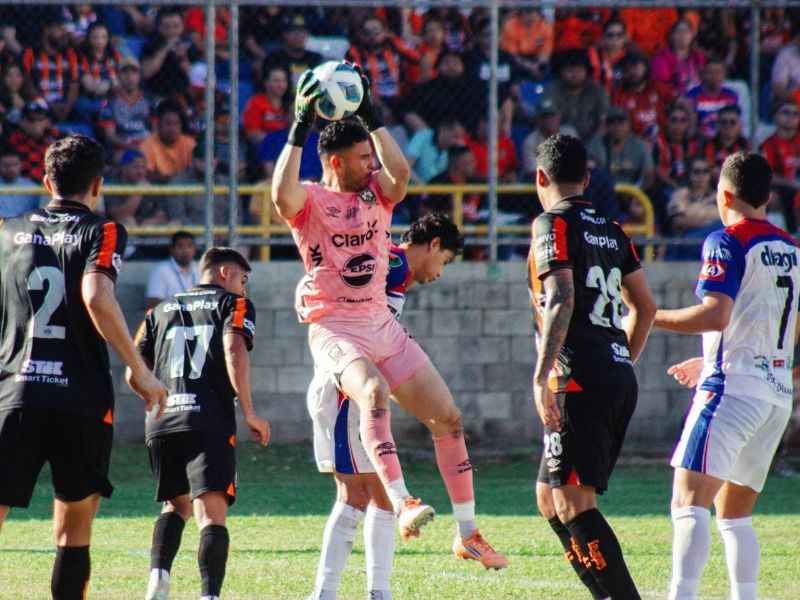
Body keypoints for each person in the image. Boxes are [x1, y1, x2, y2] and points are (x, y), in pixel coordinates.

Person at [273, 67, 507, 567]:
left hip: (381, 323)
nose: (372, 164)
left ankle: (468, 533)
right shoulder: (311, 200)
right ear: (337, 161)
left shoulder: (375, 190)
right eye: (363, 158)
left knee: (448, 418)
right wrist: (298, 126)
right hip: (336, 328)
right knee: (373, 393)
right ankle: (404, 503)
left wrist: (373, 116)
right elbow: (280, 194)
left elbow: (402, 176)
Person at [0, 134, 167, 599]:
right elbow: (96, 295)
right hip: (81, 400)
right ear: (98, 184)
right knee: (73, 532)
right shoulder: (103, 230)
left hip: (14, 393)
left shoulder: (5, 229)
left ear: (45, 179)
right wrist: (139, 368)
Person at [653, 152, 798, 600]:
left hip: (732, 390)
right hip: (774, 395)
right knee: (734, 516)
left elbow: (716, 314)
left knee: (688, 502)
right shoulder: (792, 249)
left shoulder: (727, 239)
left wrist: (646, 316)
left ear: (724, 194)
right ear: (768, 197)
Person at [307, 213, 463, 600]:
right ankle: (326, 594)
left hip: (360, 393)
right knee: (354, 495)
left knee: (375, 495)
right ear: (434, 245)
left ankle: (378, 593)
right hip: (348, 394)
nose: (441, 272)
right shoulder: (389, 263)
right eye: (445, 261)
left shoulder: (396, 273)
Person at [530, 134, 656, 600]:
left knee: (574, 502)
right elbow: (645, 306)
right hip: (613, 370)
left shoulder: (551, 223)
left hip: (577, 374)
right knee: (550, 497)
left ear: (540, 177)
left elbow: (562, 296)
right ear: (586, 178)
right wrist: (621, 359)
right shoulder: (612, 228)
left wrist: (541, 376)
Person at [133, 247, 270, 600]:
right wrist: (250, 411)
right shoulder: (233, 305)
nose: (244, 288)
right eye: (242, 279)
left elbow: (134, 370)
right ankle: (209, 596)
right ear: (225, 272)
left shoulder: (158, 310)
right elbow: (233, 349)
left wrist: (155, 400)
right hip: (207, 419)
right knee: (211, 514)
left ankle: (157, 578)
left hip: (162, 421)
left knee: (175, 505)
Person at [21, 13, 79, 122]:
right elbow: (27, 83)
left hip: (64, 105)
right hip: (41, 103)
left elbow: (74, 83)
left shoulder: (69, 54)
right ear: (47, 30)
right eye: (60, 29)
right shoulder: (31, 53)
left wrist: (67, 106)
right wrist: (48, 104)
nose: (64, 33)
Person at [540, 49, 609, 141]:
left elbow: (603, 121)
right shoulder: (552, 89)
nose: (574, 75)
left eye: (579, 70)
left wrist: (593, 144)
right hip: (560, 141)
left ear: (586, 71)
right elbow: (549, 123)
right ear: (560, 72)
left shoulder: (596, 89)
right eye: (569, 71)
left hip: (591, 141)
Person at [760, 102, 800, 232]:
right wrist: (792, 183)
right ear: (775, 117)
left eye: (795, 114)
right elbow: (767, 176)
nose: (791, 117)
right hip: (781, 190)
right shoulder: (768, 144)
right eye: (786, 112)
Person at [139, 99, 196, 183]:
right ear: (158, 125)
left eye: (176, 124)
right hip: (159, 190)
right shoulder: (147, 144)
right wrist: (172, 179)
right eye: (168, 124)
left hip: (185, 188)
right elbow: (148, 174)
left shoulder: (190, 143)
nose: (172, 129)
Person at [4, 101, 61, 183]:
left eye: (40, 119)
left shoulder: (58, 137)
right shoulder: (12, 140)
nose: (36, 123)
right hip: (23, 188)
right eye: (31, 120)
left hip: (52, 186)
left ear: (47, 122)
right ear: (22, 122)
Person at [685, 58, 739, 140]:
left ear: (724, 75)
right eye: (710, 72)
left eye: (718, 72)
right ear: (703, 75)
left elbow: (734, 122)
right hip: (700, 140)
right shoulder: (692, 95)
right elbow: (690, 126)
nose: (714, 76)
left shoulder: (731, 96)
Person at [651, 20, 706, 100]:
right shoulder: (661, 58)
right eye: (678, 32)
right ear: (671, 36)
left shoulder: (699, 56)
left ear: (692, 35)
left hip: (700, 99)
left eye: (686, 31)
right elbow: (660, 86)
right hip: (674, 102)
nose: (682, 35)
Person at [145, 231, 200, 309]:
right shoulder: (161, 270)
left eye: (189, 246)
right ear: (172, 249)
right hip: (171, 318)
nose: (186, 250)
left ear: (195, 248)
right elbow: (153, 303)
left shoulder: (199, 268)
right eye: (180, 246)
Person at [702, 105, 749, 178]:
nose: (728, 126)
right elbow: (708, 170)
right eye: (724, 122)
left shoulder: (746, 146)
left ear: (740, 125)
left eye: (732, 122)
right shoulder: (708, 145)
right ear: (718, 124)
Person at [0, 150, 41, 217]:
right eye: (6, 165)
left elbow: (36, 215)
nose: (11, 169)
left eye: (15, 164)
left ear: (21, 165)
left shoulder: (33, 188)